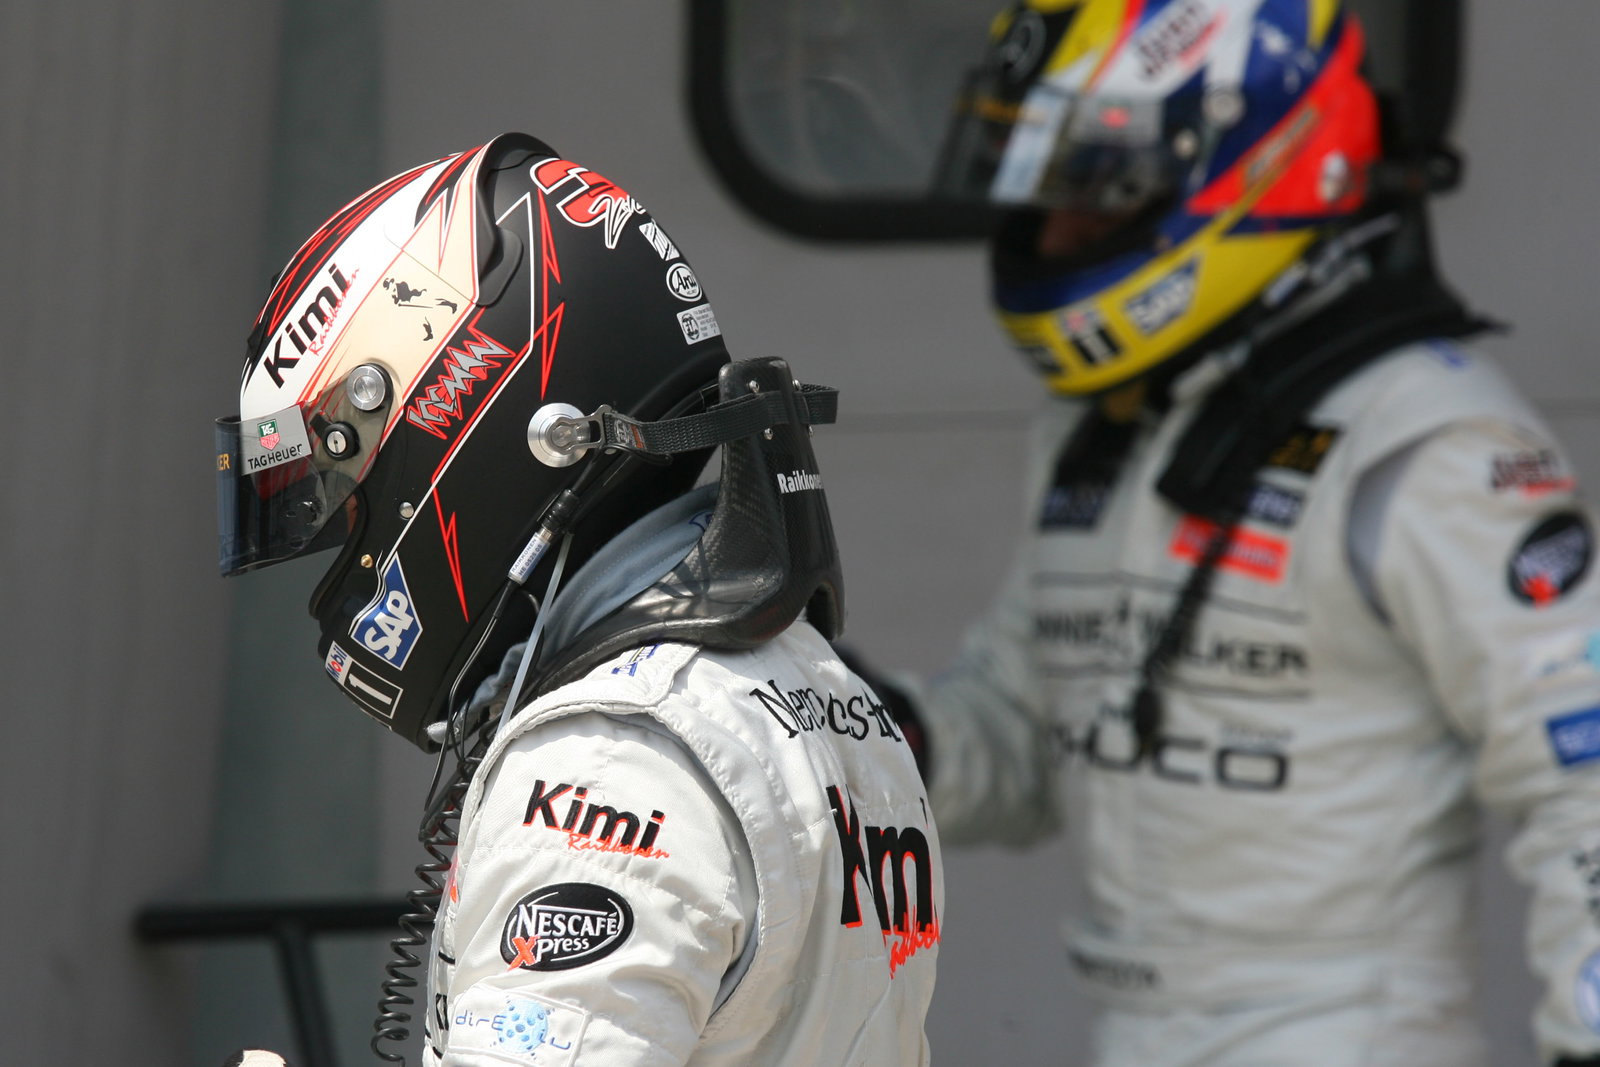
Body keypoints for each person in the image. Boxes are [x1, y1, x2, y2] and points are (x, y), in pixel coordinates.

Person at [862, 0, 1600, 1063]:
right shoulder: (1100, 429)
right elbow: (1023, 739)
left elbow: (1583, 780)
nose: (1054, 234)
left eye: (1094, 194)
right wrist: (873, 735)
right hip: (1129, 1029)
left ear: (1256, 168)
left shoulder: (1430, 442)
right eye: (1044, 198)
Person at [214, 132, 942, 1066]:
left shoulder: (604, 761)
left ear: (477, 413)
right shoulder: (820, 689)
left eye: (343, 495)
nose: (346, 546)